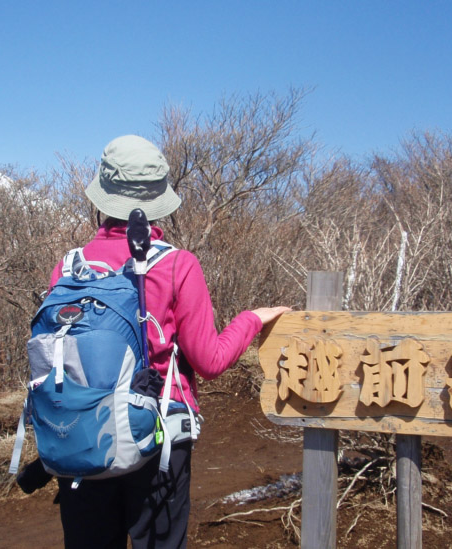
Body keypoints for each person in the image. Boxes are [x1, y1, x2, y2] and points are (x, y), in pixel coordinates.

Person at [22, 134, 289, 548]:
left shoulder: (69, 267)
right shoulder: (178, 265)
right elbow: (210, 362)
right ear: (158, 199)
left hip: (83, 437)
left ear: (103, 199)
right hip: (158, 439)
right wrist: (253, 319)